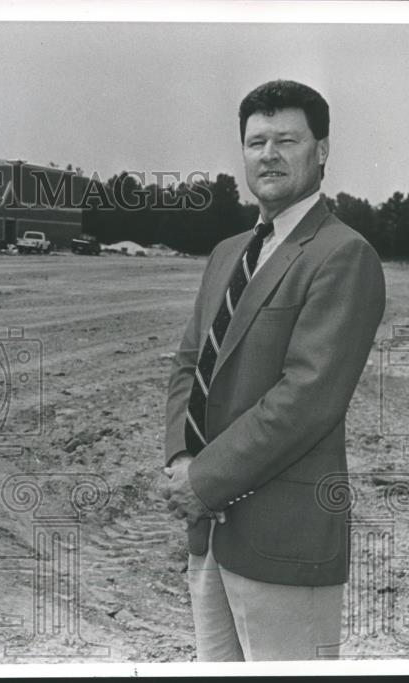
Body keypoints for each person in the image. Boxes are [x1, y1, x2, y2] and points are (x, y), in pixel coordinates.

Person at [161, 80, 386, 661]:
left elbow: (308, 400)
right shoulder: (226, 252)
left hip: (284, 540)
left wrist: (202, 481)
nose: (269, 154)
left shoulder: (343, 253)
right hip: (209, 532)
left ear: (322, 150)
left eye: (287, 139)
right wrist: (182, 461)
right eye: (256, 141)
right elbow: (190, 364)